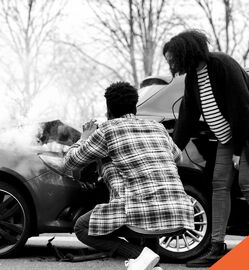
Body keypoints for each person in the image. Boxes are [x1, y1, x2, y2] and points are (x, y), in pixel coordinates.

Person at [162, 30, 249, 268]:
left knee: (248, 182)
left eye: (172, 58)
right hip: (230, 133)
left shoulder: (222, 64)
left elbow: (243, 108)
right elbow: (188, 117)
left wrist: (237, 150)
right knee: (219, 183)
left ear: (186, 52)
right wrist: (174, 151)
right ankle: (217, 247)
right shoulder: (193, 77)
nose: (171, 64)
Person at [64, 82, 195, 270]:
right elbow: (177, 157)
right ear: (135, 106)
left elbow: (70, 162)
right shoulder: (157, 127)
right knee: (140, 227)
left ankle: (139, 255)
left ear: (108, 109)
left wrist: (84, 138)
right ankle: (149, 262)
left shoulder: (107, 130)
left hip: (141, 214)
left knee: (82, 227)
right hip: (180, 213)